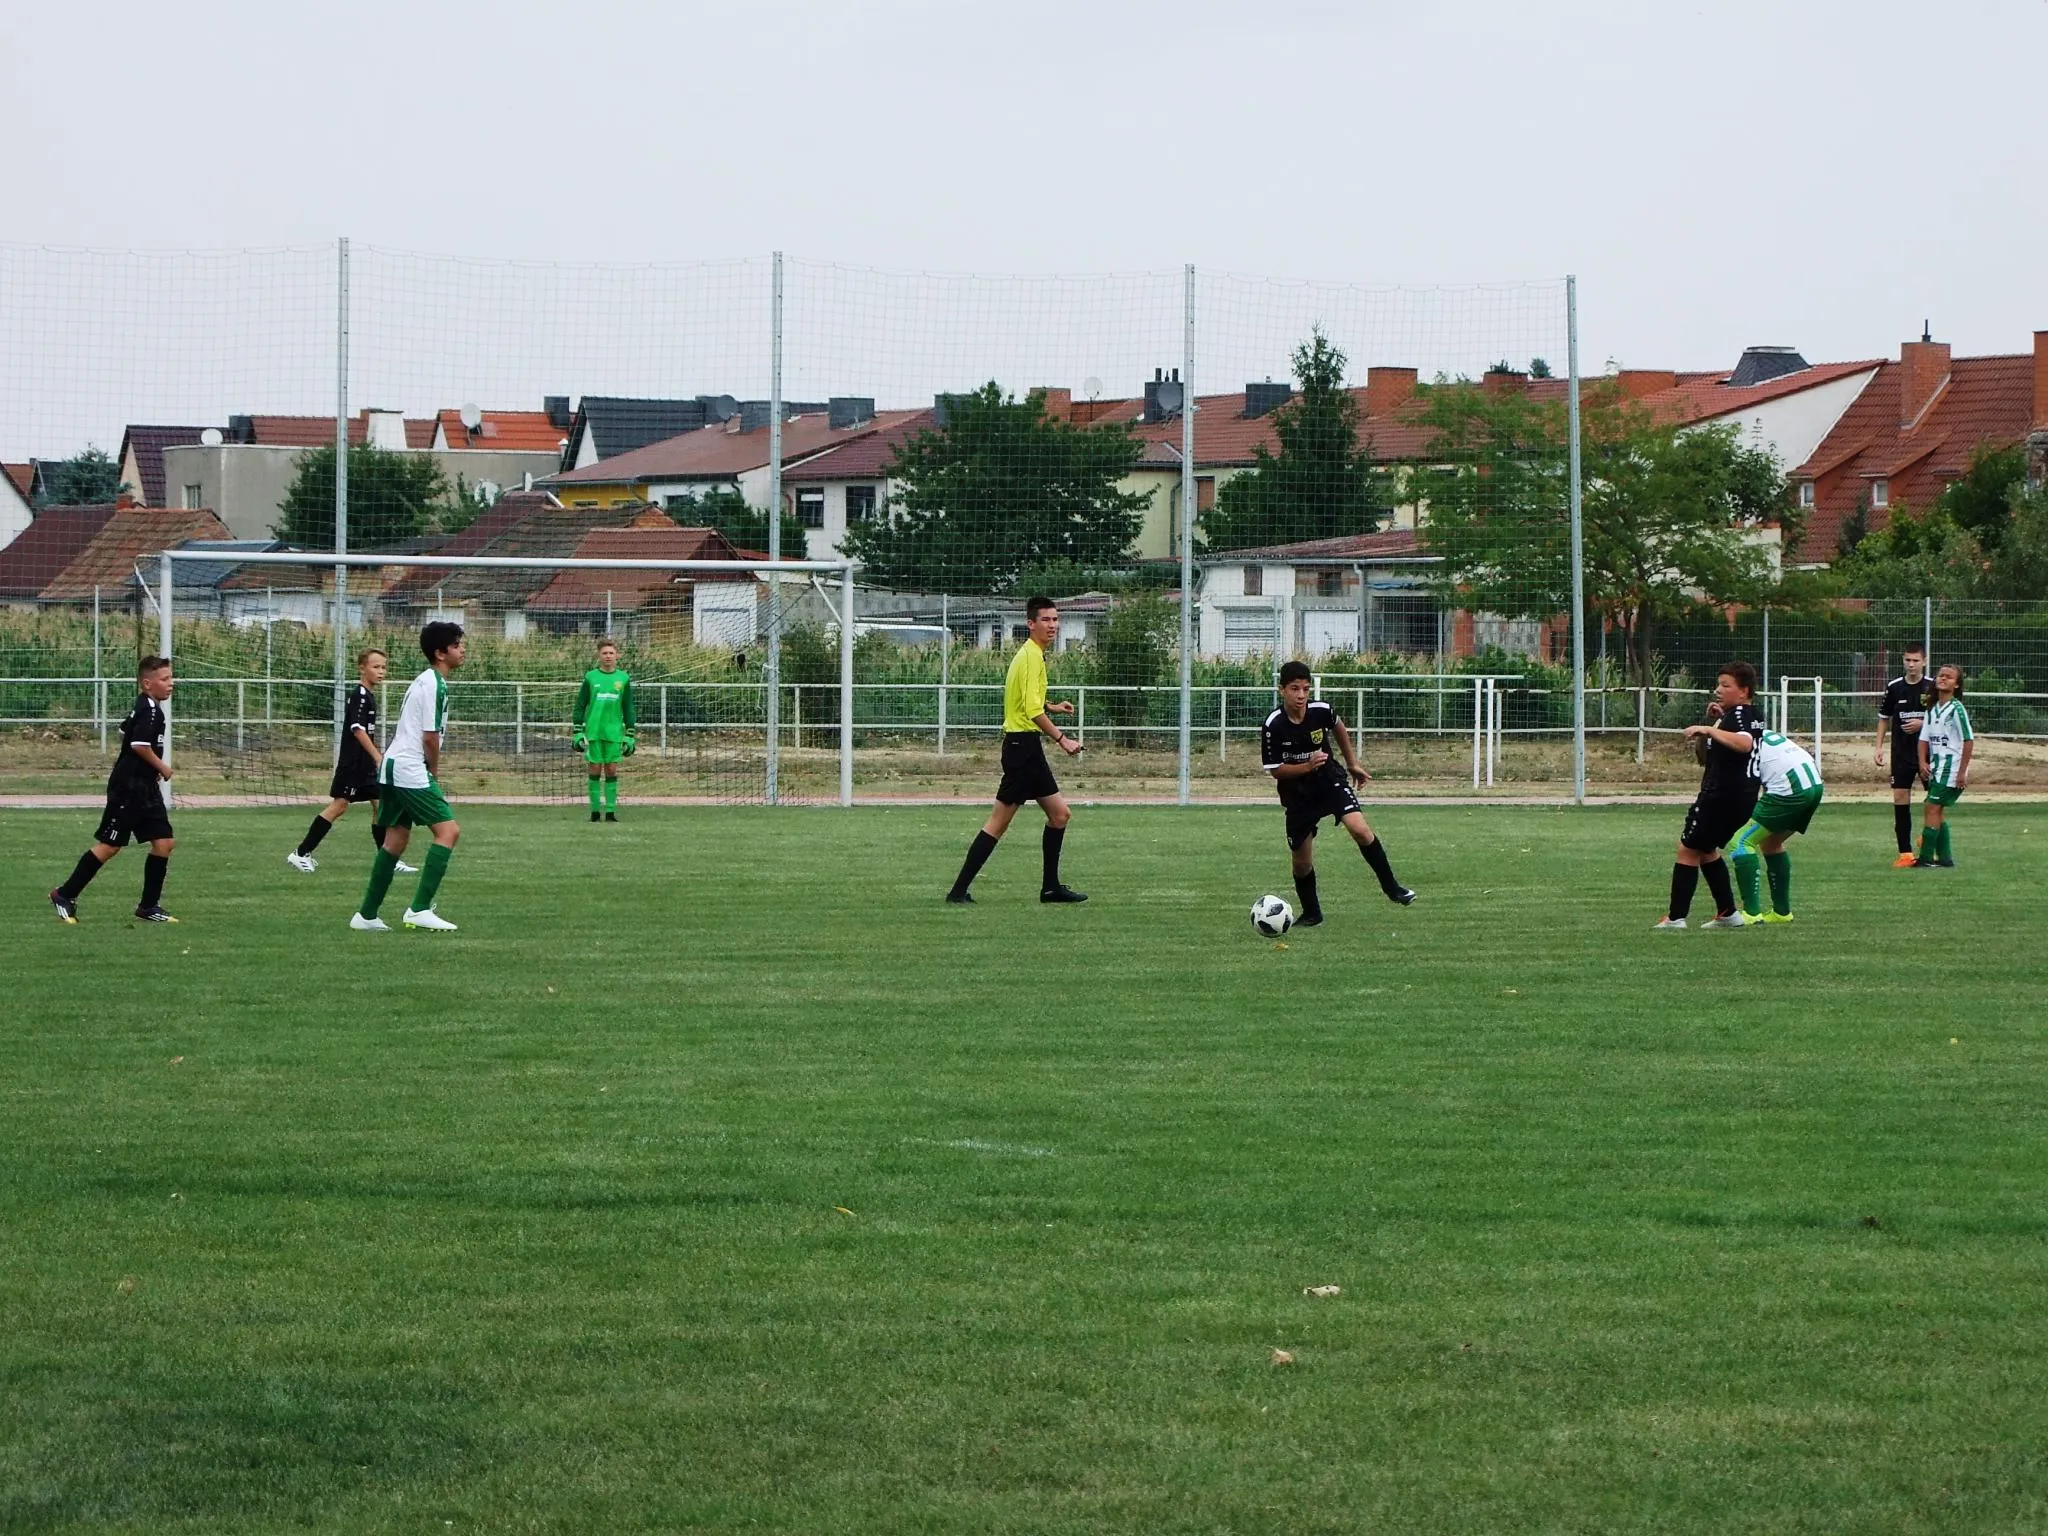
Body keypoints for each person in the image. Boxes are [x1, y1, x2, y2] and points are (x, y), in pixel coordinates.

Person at [946, 596, 1086, 904]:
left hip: (1026, 747)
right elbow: (1031, 712)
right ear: (1031, 624)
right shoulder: (1031, 656)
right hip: (1022, 749)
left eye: (1055, 619)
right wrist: (1063, 739)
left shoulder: (1031, 655)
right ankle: (957, 892)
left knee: (1060, 815)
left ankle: (1051, 889)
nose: (1052, 625)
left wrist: (1053, 707)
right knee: (998, 823)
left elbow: (1029, 702)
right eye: (1046, 619)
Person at [1259, 660, 1415, 924]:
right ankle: (1312, 913)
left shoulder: (1321, 711)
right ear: (1282, 690)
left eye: (1305, 689)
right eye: (1294, 688)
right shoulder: (1273, 725)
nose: (1301, 695)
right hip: (1297, 793)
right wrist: (1306, 766)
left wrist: (1352, 763)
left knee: (1360, 830)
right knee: (1301, 862)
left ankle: (1393, 888)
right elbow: (1276, 770)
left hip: (1329, 780)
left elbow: (1339, 726)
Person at [352, 621, 466, 932]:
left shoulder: (424, 680)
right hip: (409, 768)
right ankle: (419, 909)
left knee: (395, 840)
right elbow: (429, 736)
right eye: (456, 645)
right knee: (448, 832)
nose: (462, 650)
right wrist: (434, 769)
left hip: (392, 765)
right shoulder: (434, 684)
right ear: (440, 653)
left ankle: (366, 915)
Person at [50, 655, 179, 924]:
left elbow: (125, 731)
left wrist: (149, 770)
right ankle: (64, 894)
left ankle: (148, 907)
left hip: (145, 787)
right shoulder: (150, 710)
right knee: (110, 846)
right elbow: (138, 745)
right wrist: (162, 767)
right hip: (128, 788)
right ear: (147, 683)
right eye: (165, 679)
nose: (171, 683)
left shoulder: (147, 706)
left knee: (164, 843)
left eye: (171, 678)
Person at [287, 647, 416, 875]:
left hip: (365, 765)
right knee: (340, 806)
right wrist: (378, 757)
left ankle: (387, 860)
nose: (381, 671)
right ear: (362, 668)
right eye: (375, 667)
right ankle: (301, 853)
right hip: (354, 764)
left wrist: (375, 758)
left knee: (380, 804)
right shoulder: (360, 696)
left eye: (383, 667)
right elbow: (357, 729)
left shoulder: (369, 695)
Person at [1660, 661, 1765, 930]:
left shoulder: (1739, 713)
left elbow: (1745, 743)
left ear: (1744, 691)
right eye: (1718, 684)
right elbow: (1704, 758)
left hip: (1722, 796)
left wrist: (1708, 729)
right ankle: (1728, 913)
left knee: (1688, 849)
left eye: (1726, 685)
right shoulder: (1741, 715)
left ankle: (1676, 918)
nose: (1718, 689)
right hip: (1740, 798)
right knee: (1706, 850)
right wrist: (1711, 728)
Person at [1728, 725, 1824, 923]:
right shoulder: (1760, 733)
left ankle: (1751, 914)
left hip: (1790, 789)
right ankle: (1781, 912)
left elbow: (1748, 786)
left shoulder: (1741, 741)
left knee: (1740, 842)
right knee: (1771, 842)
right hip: (1814, 784)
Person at [1873, 642, 1936, 866]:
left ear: (1924, 662)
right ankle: (1905, 853)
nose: (1911, 665)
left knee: (1933, 801)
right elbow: (1884, 718)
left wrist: (1922, 723)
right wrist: (1878, 747)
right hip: (1900, 753)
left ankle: (1929, 842)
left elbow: (1941, 719)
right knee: (1900, 798)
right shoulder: (1894, 687)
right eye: (1908, 660)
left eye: (1915, 660)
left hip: (1928, 754)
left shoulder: (1932, 687)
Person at [1914, 663, 1973, 869]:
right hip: (1936, 767)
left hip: (1951, 767)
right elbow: (1923, 739)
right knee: (1936, 811)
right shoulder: (1932, 709)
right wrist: (1922, 762)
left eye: (1949, 677)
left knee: (1931, 807)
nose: (1943, 679)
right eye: (1941, 675)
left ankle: (1926, 858)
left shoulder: (1956, 709)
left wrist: (1962, 771)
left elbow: (1968, 740)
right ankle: (1945, 858)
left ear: (1956, 685)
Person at [573, 638, 636, 822]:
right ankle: (594, 812)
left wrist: (630, 733)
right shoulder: (590, 677)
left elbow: (628, 707)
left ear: (617, 655)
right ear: (599, 656)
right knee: (594, 768)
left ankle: (610, 812)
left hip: (614, 732)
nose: (608, 656)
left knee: (611, 769)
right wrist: (577, 731)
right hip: (594, 731)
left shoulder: (623, 678)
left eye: (611, 653)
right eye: (604, 653)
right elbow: (580, 705)